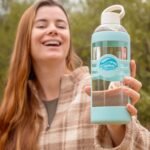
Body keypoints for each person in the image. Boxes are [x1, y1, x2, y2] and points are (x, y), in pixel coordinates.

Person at [0, 0, 149, 149]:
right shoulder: (16, 110)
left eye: (61, 26)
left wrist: (117, 127)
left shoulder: (96, 92)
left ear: (69, 41)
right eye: (41, 25)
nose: (53, 30)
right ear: (25, 40)